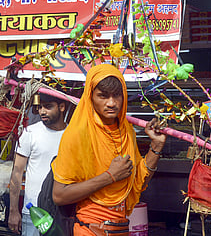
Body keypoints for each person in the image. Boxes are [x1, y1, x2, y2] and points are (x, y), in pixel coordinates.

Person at [51, 64, 166, 235]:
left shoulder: (126, 130)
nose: (111, 103)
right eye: (103, 96)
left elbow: (138, 182)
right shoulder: (77, 134)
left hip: (121, 228)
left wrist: (156, 146)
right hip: (90, 229)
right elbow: (59, 196)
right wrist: (110, 176)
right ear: (90, 97)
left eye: (117, 96)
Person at [8, 93, 68, 235]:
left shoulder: (72, 135)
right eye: (40, 107)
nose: (42, 111)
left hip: (63, 212)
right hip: (34, 211)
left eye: (48, 107)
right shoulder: (30, 133)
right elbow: (16, 173)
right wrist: (13, 211)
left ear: (62, 107)